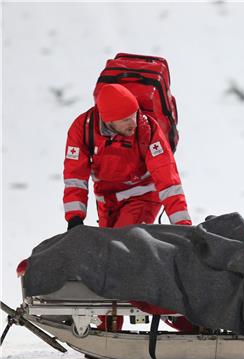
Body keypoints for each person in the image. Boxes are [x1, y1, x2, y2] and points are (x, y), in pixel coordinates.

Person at [63, 83, 192, 330]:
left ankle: (179, 317)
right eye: (124, 120)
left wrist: (183, 226)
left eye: (133, 114)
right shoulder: (82, 129)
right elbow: (74, 177)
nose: (133, 122)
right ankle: (109, 326)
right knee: (107, 260)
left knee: (120, 254)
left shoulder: (147, 129)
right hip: (107, 203)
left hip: (143, 197)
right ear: (107, 121)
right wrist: (75, 218)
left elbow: (168, 181)